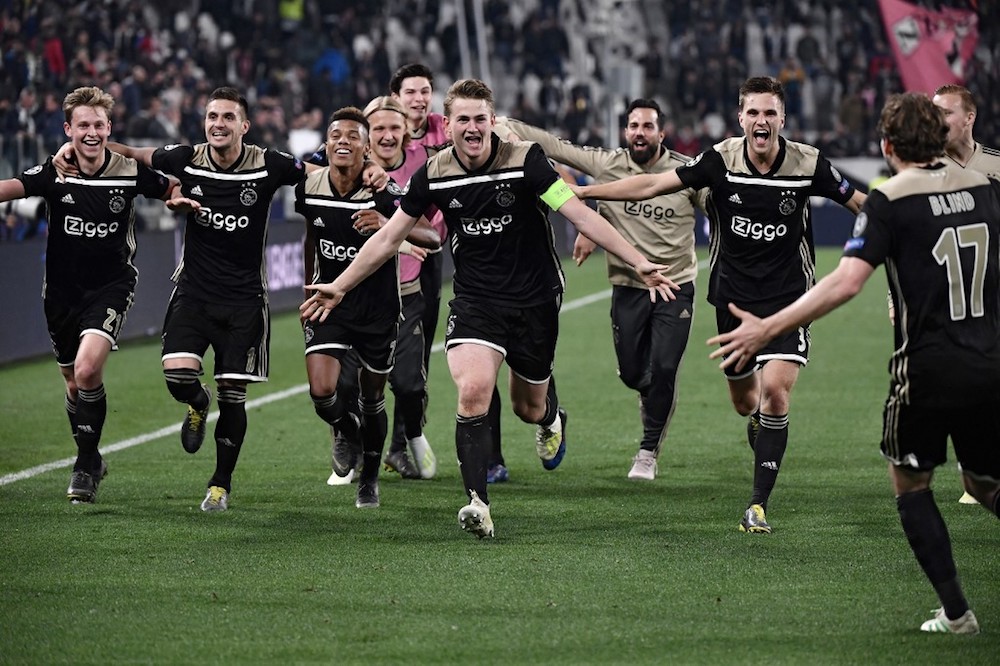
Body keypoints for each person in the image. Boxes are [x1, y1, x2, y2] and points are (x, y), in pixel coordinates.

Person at [301, 79, 675, 539]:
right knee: (473, 391)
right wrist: (339, 285)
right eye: (463, 119)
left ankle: (552, 415)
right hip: (477, 301)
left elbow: (577, 212)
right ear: (449, 124)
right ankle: (477, 502)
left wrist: (638, 262)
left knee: (527, 406)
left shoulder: (527, 162)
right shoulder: (435, 173)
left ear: (493, 122)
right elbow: (387, 237)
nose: (473, 128)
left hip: (535, 299)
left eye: (481, 119)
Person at [709, 92, 1000, 635]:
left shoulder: (891, 199)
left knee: (912, 486)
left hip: (928, 371)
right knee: (984, 486)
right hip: (988, 363)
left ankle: (958, 614)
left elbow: (844, 282)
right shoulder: (983, 188)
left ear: (887, 146)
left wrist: (769, 327)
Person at [55, 87, 386, 512]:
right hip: (193, 293)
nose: (219, 124)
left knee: (234, 394)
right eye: (212, 117)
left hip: (245, 301)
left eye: (228, 117)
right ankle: (197, 403)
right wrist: (71, 146)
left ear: (244, 126)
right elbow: (129, 151)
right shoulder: (185, 158)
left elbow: (328, 167)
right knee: (178, 378)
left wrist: (373, 167)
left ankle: (220, 484)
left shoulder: (269, 164)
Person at [574, 77, 866, 533]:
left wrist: (896, 227)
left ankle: (757, 505)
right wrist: (587, 194)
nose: (761, 121)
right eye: (753, 113)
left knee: (776, 392)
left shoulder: (808, 163)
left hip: (790, 299)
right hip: (732, 297)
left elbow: (858, 202)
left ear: (783, 119)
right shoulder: (720, 159)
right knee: (745, 399)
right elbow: (651, 184)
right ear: (741, 118)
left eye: (770, 113)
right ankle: (759, 423)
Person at [496, 99, 707, 481]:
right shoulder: (608, 164)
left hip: (674, 286)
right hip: (627, 286)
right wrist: (500, 122)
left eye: (647, 126)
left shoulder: (684, 171)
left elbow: (719, 204)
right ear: (625, 132)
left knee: (664, 367)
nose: (639, 132)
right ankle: (653, 394)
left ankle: (648, 451)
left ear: (662, 133)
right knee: (632, 373)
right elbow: (558, 148)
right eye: (633, 126)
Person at [0, 86, 172, 503]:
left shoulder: (129, 171)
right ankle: (92, 458)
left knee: (88, 368)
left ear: (108, 128)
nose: (91, 132)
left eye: (98, 125)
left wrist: (179, 197)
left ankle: (83, 465)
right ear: (68, 129)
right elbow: (13, 187)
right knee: (74, 385)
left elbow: (169, 187)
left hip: (111, 286)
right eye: (83, 125)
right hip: (60, 293)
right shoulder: (55, 171)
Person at [297, 105, 440, 508]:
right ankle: (346, 431)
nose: (343, 141)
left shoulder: (386, 190)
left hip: (377, 311)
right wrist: (306, 288)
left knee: (373, 397)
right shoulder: (310, 185)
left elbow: (432, 237)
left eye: (353, 137)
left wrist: (387, 223)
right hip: (329, 303)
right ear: (325, 145)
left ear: (367, 148)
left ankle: (370, 479)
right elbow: (311, 235)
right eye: (336, 135)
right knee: (322, 391)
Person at [932, 84, 1000, 506]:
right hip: (945, 302)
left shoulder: (995, 166)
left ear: (969, 118)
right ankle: (976, 474)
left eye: (946, 113)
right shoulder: (924, 172)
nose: (938, 121)